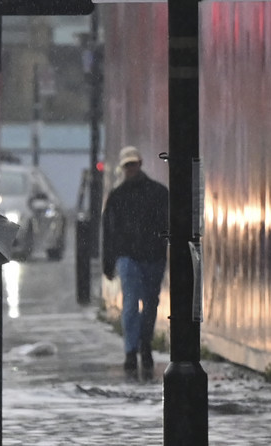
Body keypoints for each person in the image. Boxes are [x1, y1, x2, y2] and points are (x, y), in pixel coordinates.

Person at [102, 145, 169, 376]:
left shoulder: (153, 194)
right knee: (133, 303)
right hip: (133, 256)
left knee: (149, 303)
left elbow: (109, 231)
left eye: (133, 164)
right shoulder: (152, 194)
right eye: (128, 165)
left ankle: (143, 345)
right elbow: (109, 232)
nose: (131, 169)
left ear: (138, 164)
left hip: (149, 256)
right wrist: (109, 262)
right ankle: (134, 350)